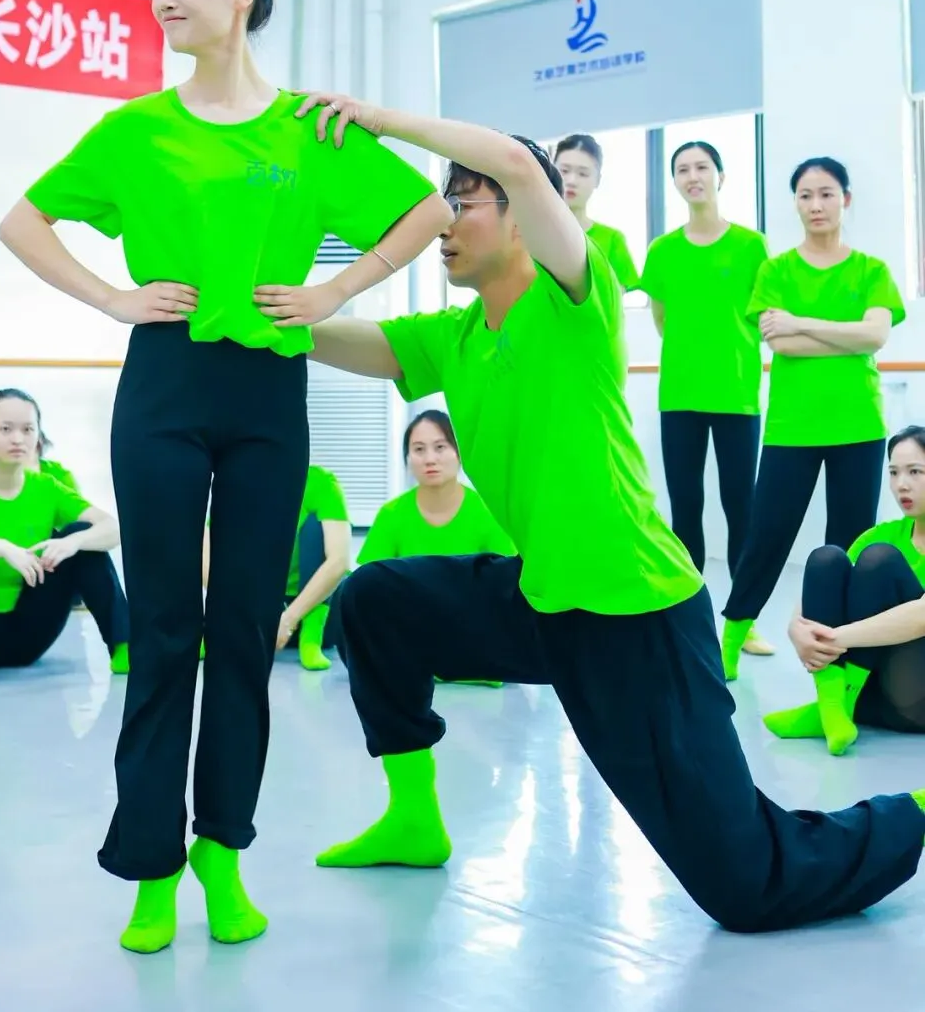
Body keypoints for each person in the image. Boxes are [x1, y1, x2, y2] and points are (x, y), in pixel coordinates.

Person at [260, 92, 925, 936]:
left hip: (637, 615)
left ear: (518, 211)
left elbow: (513, 161)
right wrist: (269, 309)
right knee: (375, 600)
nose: (442, 223)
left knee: (747, 885)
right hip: (542, 601)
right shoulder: (455, 337)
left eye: (462, 201)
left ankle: (906, 816)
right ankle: (415, 819)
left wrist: (379, 120)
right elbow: (349, 341)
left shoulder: (576, 298)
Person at [0, 0, 449, 954]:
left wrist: (335, 290)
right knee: (164, 628)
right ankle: (151, 866)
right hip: (163, 382)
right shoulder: (135, 131)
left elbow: (424, 212)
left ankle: (224, 853)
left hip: (268, 394)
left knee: (247, 630)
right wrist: (113, 298)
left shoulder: (308, 129)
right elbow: (23, 222)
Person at [721, 157, 904, 680]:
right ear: (795, 203)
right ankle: (730, 641)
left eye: (826, 193)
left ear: (846, 199)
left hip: (858, 426)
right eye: (805, 195)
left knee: (846, 548)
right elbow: (779, 342)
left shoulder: (871, 270)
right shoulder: (776, 270)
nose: (816, 204)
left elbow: (875, 335)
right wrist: (844, 336)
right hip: (792, 428)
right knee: (767, 537)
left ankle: (838, 671)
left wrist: (802, 323)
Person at [641, 141, 771, 655]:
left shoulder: (752, 246)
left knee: (742, 508)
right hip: (680, 395)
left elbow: (761, 314)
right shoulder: (662, 251)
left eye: (701, 167)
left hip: (736, 395)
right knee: (686, 506)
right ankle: (687, 616)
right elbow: (661, 319)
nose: (692, 176)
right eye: (682, 169)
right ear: (674, 181)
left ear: (721, 175)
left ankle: (743, 619)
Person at [0, 388, 129, 703]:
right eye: (5, 429)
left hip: (29, 635)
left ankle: (124, 648)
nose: (18, 438)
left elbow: (112, 528)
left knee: (81, 533)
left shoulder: (48, 487)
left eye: (28, 429)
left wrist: (73, 542)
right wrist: (2, 547)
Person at [766, 426, 925, 754]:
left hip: (918, 701)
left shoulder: (881, 550)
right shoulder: (882, 534)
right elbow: (823, 587)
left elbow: (921, 616)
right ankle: (833, 707)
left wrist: (833, 639)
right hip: (875, 698)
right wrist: (796, 628)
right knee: (827, 558)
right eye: (893, 472)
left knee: (879, 560)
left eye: (915, 472)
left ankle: (836, 708)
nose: (901, 484)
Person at [358, 410, 516, 687]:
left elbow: (507, 587)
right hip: (412, 628)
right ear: (407, 458)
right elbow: (369, 584)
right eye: (419, 449)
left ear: (459, 452)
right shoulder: (392, 515)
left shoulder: (488, 512)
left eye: (440, 447)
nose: (430, 459)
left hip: (473, 629)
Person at [202, 465, 353, 671]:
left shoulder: (320, 481)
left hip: (311, 608)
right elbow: (207, 555)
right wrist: (241, 609)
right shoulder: (236, 481)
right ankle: (221, 628)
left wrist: (288, 620)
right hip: (254, 607)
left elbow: (339, 561)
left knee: (313, 527)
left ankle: (311, 636)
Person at [553, 133, 640, 290]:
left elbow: (614, 301)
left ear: (597, 180)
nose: (571, 181)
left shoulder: (612, 240)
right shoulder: (528, 234)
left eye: (583, 173)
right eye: (564, 171)